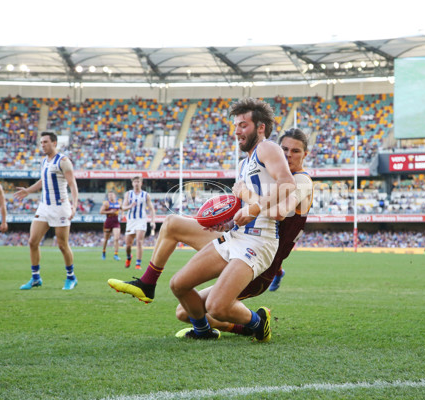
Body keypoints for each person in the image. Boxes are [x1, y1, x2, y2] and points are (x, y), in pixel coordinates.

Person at [107, 128, 313, 336]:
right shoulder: (267, 173)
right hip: (242, 241)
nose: (288, 155)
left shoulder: (301, 181)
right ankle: (147, 283)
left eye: (295, 151)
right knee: (172, 227)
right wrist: (228, 223)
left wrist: (245, 194)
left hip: (259, 265)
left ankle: (254, 324)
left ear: (305, 154)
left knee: (207, 310)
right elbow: (251, 216)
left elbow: (278, 213)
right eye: (284, 149)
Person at [169, 97, 296, 341]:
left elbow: (287, 184)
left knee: (217, 307)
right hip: (236, 235)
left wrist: (255, 208)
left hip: (259, 241)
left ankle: (259, 322)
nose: (237, 131)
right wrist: (227, 223)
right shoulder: (243, 164)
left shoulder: (267, 148)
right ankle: (203, 332)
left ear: (260, 128)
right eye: (235, 125)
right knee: (179, 285)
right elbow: (244, 208)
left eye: (243, 125)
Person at [14, 131, 79, 290]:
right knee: (32, 241)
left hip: (60, 207)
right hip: (44, 206)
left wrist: (74, 205)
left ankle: (71, 277)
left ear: (54, 143)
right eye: (41, 142)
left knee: (62, 245)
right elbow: (43, 180)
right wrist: (28, 191)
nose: (42, 145)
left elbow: (73, 185)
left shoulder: (63, 161)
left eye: (45, 142)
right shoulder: (44, 161)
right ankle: (35, 278)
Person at [121, 175, 155, 269]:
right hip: (131, 221)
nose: (136, 183)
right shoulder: (128, 194)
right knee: (128, 245)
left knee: (139, 241)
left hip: (141, 220)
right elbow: (123, 207)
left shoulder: (145, 195)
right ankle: (129, 257)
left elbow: (151, 209)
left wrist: (153, 221)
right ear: (132, 183)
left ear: (141, 183)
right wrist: (129, 206)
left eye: (138, 181)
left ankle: (138, 264)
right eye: (135, 181)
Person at [99, 191, 122, 261]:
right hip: (108, 221)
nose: (110, 197)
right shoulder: (106, 203)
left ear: (115, 196)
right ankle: (103, 252)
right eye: (109, 196)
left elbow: (122, 208)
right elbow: (101, 212)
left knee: (116, 238)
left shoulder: (119, 202)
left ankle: (116, 254)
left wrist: (122, 214)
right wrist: (109, 212)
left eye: (111, 195)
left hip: (116, 221)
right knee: (106, 239)